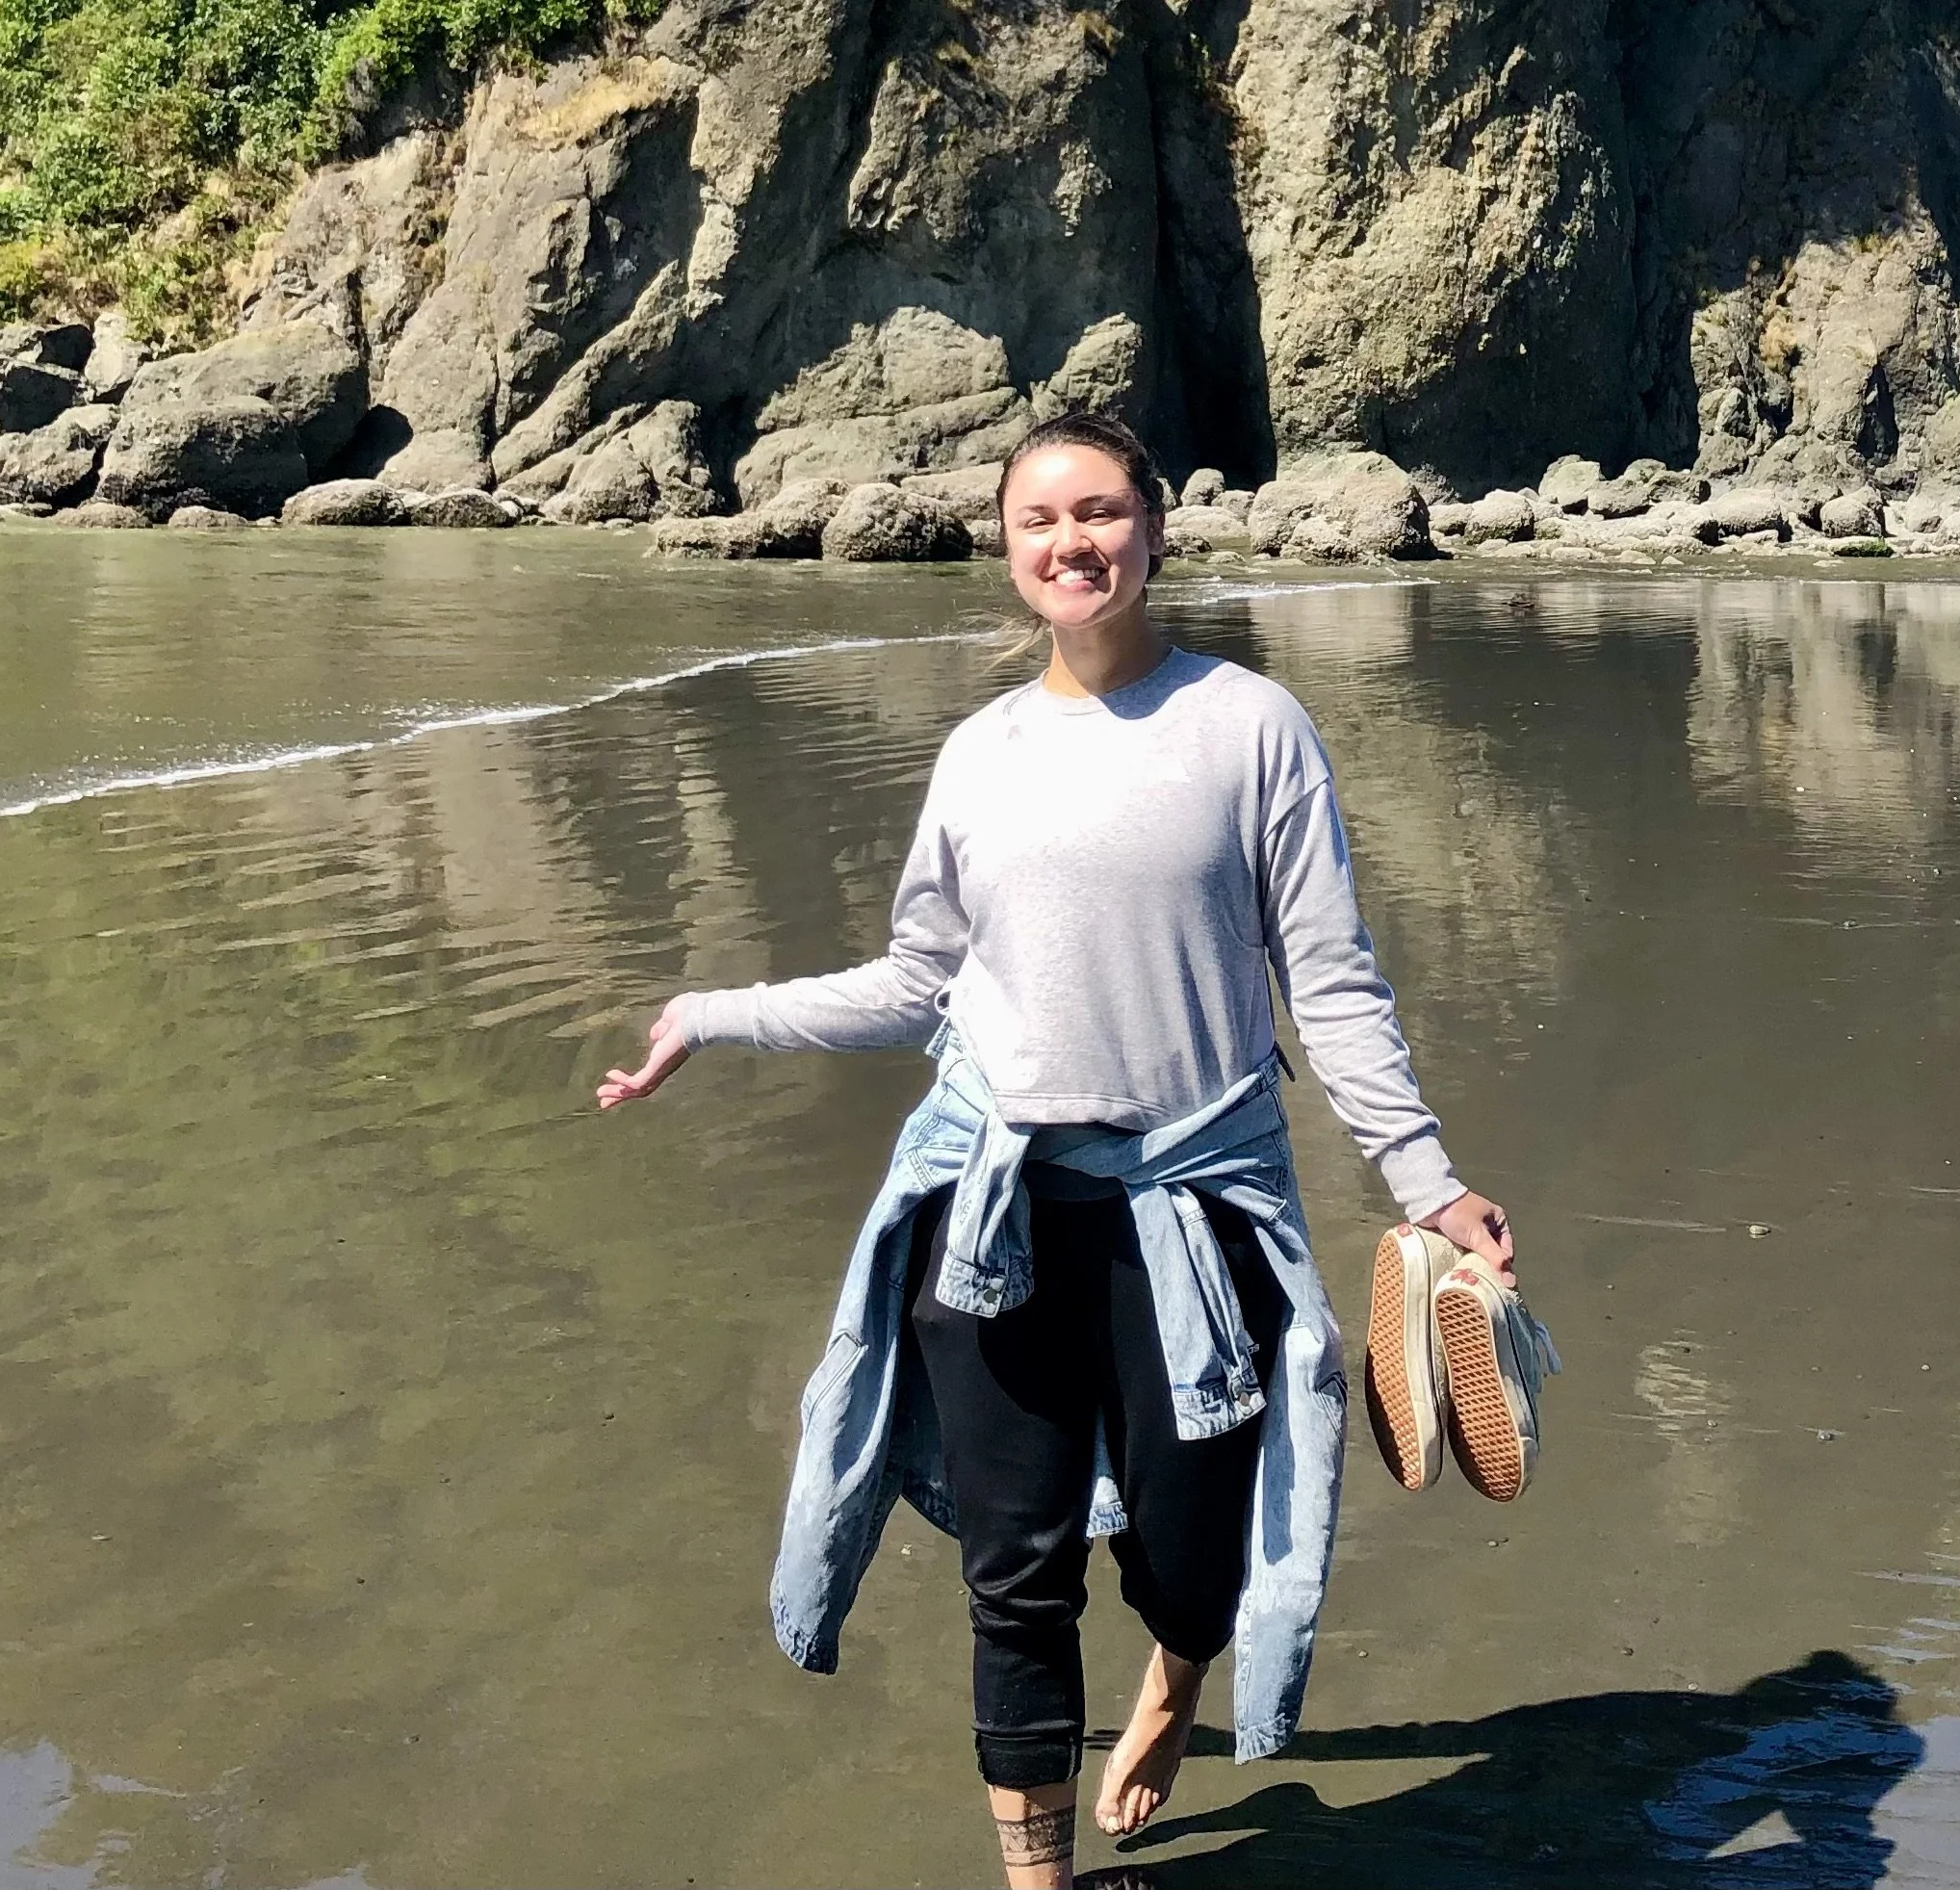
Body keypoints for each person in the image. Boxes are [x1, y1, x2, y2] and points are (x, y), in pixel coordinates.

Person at [595, 411, 1514, 1889]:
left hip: (1194, 1204)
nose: (1069, 542)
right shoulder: (978, 753)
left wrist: (1427, 1179)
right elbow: (917, 981)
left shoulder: (1248, 725)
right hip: (997, 1206)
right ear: (1006, 547)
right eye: (1038, 519)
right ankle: (1037, 1879)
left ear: (1153, 530)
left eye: (1098, 513)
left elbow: (1328, 980)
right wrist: (712, 1010)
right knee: (1011, 1573)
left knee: (1190, 1543)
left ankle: (1171, 1679)